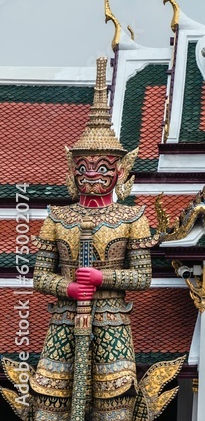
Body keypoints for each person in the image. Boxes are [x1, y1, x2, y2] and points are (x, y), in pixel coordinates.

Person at [30, 58, 152, 421]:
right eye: (83, 166)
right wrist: (68, 287)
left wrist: (104, 277)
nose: (92, 175)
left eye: (102, 167)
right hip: (65, 318)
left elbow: (142, 277)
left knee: (115, 404)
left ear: (120, 169)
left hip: (113, 320)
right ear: (72, 168)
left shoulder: (132, 218)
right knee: (49, 402)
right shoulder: (58, 218)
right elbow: (40, 276)